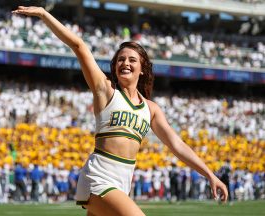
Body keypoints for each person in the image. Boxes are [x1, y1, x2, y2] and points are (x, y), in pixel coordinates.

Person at [12, 6, 228, 216]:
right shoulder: (106, 91)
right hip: (99, 179)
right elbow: (78, 45)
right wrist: (43, 14)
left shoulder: (151, 109)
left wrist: (209, 175)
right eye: (120, 59)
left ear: (142, 69)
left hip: (122, 185)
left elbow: (177, 145)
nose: (125, 63)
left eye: (132, 60)